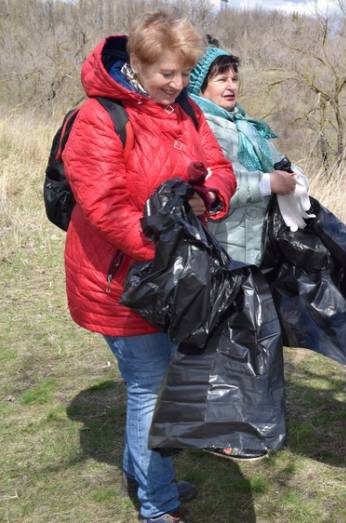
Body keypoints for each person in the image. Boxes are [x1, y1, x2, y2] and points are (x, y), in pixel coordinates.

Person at [61, 12, 236, 523]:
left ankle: (147, 479)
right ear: (136, 63)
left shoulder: (185, 111)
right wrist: (165, 243)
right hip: (119, 281)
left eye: (184, 73)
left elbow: (218, 169)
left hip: (169, 277)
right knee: (151, 390)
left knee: (154, 386)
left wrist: (209, 197)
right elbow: (107, 208)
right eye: (166, 74)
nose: (178, 84)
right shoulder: (99, 117)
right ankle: (158, 507)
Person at [185, 44, 307, 461]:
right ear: (202, 84)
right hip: (219, 250)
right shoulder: (200, 123)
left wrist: (292, 177)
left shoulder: (244, 125)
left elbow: (276, 164)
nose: (231, 86)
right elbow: (212, 186)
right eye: (221, 78)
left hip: (253, 250)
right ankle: (224, 433)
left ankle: (238, 424)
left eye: (234, 77)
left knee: (249, 338)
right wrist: (267, 184)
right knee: (228, 343)